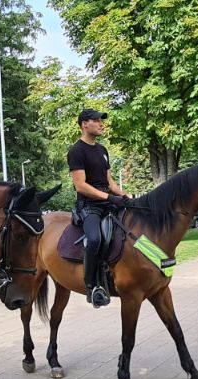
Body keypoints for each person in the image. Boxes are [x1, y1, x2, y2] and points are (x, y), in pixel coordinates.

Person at [68, 108, 128, 308]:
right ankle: (91, 287)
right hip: (89, 206)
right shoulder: (76, 151)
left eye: (101, 121)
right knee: (94, 239)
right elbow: (81, 186)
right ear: (84, 124)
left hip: (108, 201)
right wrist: (109, 197)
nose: (102, 124)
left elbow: (110, 182)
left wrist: (125, 196)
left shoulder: (102, 150)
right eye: (97, 120)